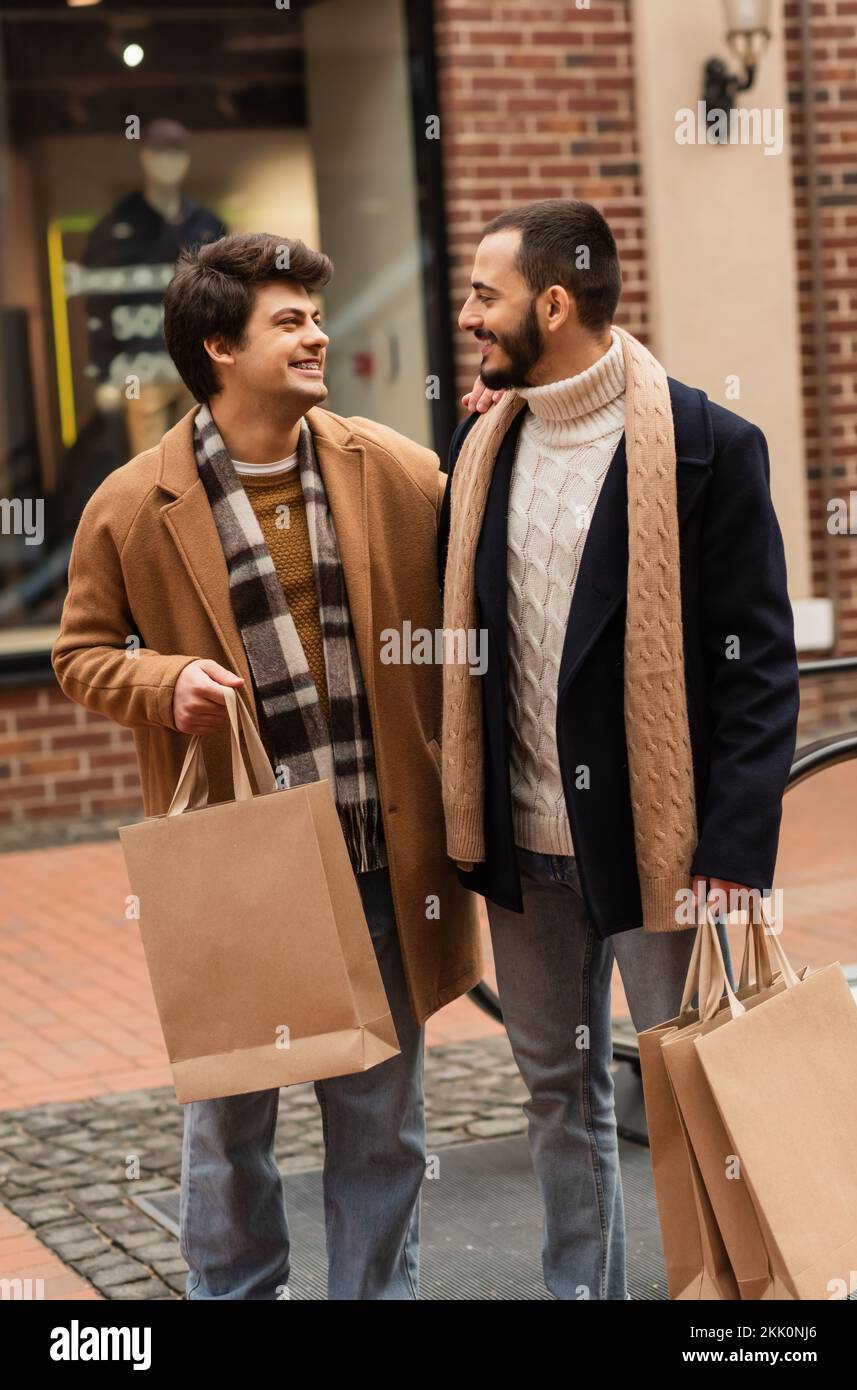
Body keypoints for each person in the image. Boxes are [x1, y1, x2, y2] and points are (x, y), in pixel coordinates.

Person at [52, 231, 483, 1301]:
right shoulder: (130, 503)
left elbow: (482, 572)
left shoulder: (391, 468)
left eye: (313, 314)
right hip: (240, 864)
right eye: (287, 320)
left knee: (383, 1126)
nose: (316, 334)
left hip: (381, 851)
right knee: (230, 1127)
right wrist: (167, 685)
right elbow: (79, 655)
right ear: (220, 348)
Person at [437, 198, 800, 1301]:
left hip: (665, 843)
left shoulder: (707, 447)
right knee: (558, 1091)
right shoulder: (484, 440)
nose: (467, 316)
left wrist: (734, 846)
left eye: (485, 296)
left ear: (555, 302)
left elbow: (759, 667)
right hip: (523, 838)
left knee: (697, 1088)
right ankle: (579, 1294)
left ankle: (730, 1303)